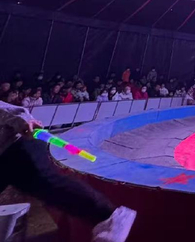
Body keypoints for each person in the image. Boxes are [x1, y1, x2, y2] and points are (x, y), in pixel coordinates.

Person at [0, 100, 136, 241]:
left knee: (45, 182)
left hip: (17, 145)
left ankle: (110, 216)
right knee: (42, 185)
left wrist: (24, 122)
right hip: (5, 154)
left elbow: (7, 110)